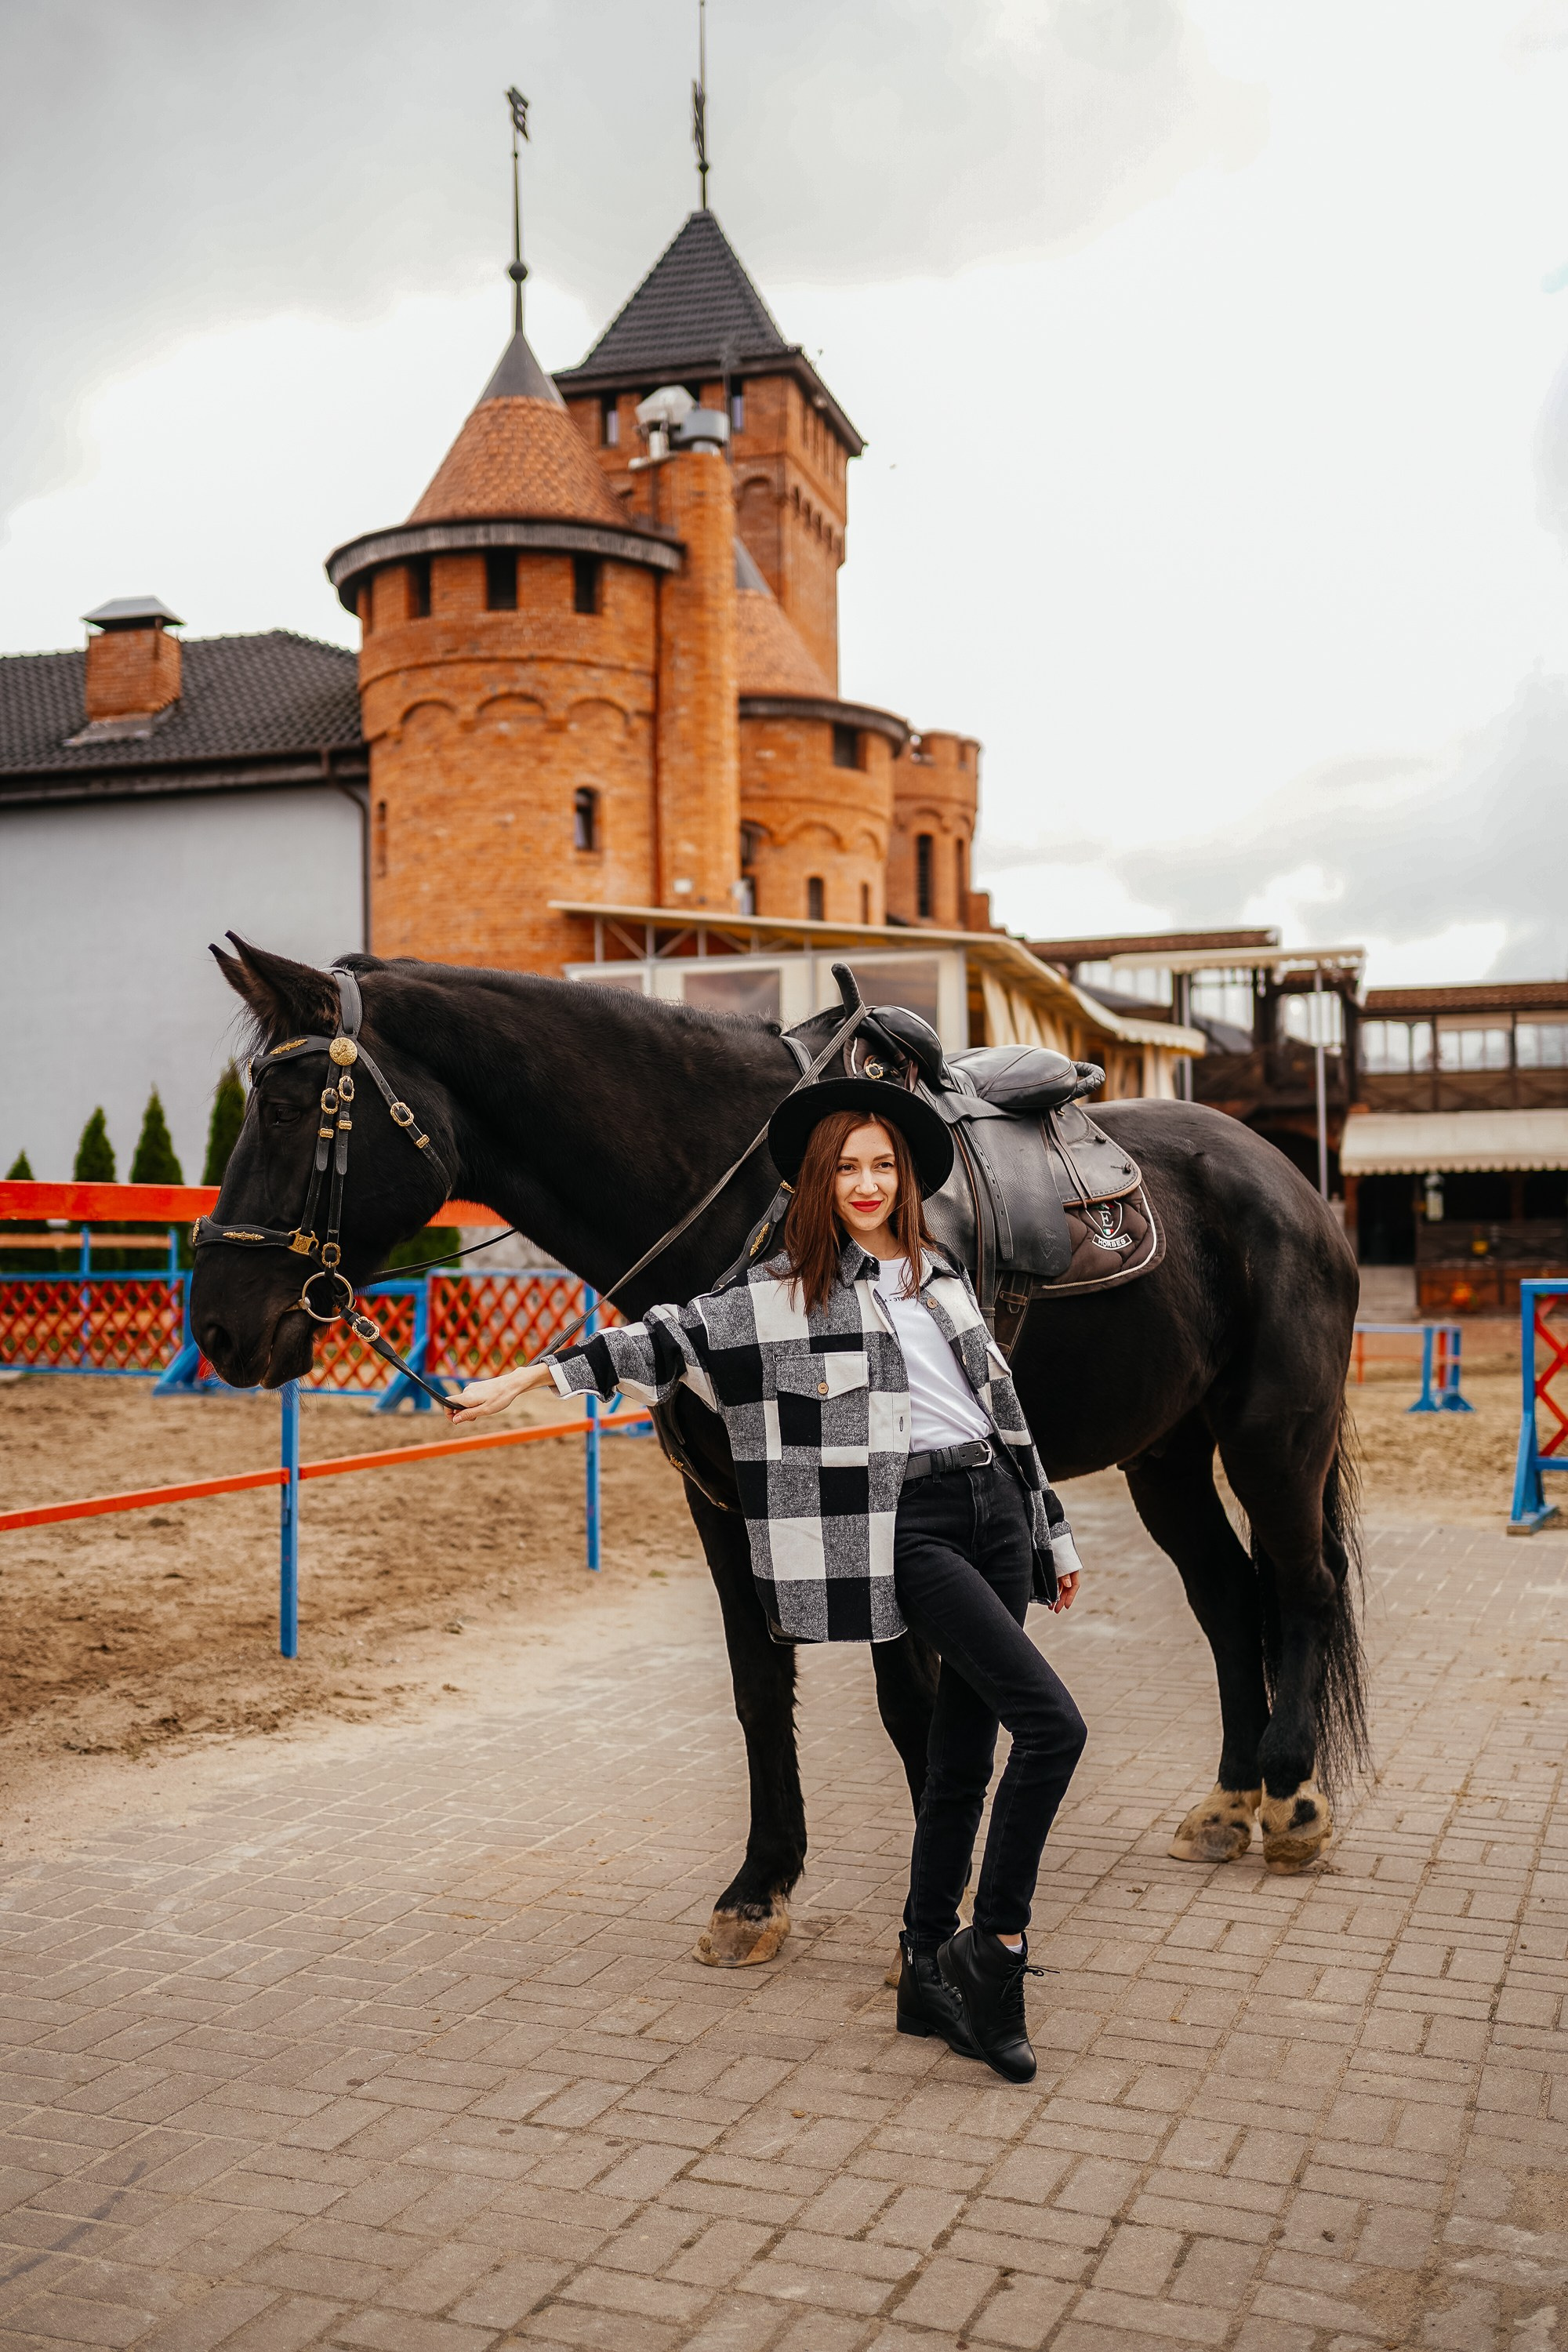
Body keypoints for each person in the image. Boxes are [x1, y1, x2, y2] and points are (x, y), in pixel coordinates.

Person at [453, 1075, 1087, 2084]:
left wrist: (1049, 1533)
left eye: (884, 1166)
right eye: (847, 1167)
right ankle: (994, 1952)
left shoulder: (944, 1276)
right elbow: (659, 1339)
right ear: (815, 1181)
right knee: (1054, 1728)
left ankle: (927, 1963)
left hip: (995, 1514)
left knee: (961, 1756)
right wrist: (529, 1376)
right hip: (906, 1525)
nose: (868, 1184)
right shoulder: (781, 1292)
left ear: (908, 1177)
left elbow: (1003, 1412)